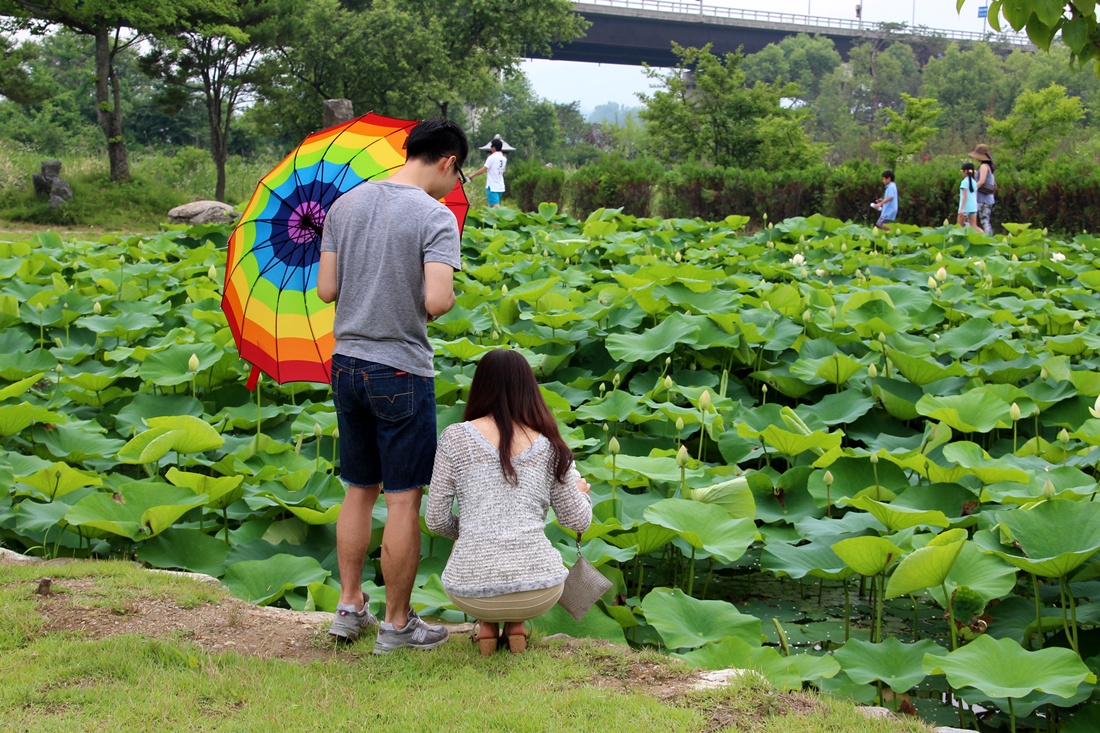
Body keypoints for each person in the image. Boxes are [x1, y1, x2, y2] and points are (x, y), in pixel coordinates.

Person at [317, 118, 469, 655]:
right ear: (448, 161)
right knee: (403, 500)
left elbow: (327, 289)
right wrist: (446, 293)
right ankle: (397, 623)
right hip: (400, 369)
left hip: (346, 363)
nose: (455, 185)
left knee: (359, 488)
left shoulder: (344, 206)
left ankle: (348, 607)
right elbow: (437, 301)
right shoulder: (435, 216)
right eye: (459, 174)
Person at [425, 349, 593, 656]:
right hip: (539, 589)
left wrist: (474, 532)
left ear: (480, 386)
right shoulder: (551, 446)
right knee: (518, 562)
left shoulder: (455, 438)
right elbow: (577, 521)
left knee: (476, 554)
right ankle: (516, 626)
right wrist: (581, 493)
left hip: (470, 591)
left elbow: (435, 519)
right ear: (529, 389)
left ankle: (487, 627)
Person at [469, 138, 507, 207]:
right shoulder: (504, 159)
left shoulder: (492, 157)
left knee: (496, 208)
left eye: (491, 146)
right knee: (491, 207)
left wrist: (472, 175)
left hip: (492, 187)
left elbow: (483, 170)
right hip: (500, 186)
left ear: (494, 148)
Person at [970, 143, 997, 236]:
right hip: (989, 198)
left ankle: (985, 238)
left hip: (982, 198)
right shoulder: (989, 166)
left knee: (970, 220)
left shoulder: (983, 166)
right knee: (985, 220)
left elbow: (981, 181)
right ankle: (990, 238)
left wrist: (971, 189)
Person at [958, 162, 982, 232]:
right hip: (973, 207)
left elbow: (964, 197)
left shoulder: (964, 182)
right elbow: (976, 196)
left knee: (958, 227)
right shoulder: (974, 182)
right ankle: (985, 236)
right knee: (974, 226)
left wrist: (961, 209)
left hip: (965, 208)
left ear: (965, 172)